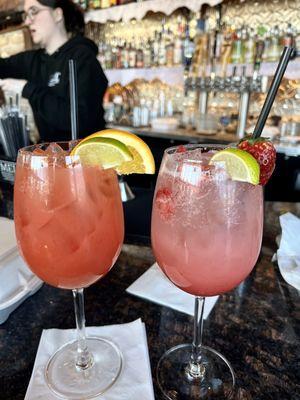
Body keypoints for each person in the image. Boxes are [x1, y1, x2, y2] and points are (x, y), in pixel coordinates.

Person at [0, 0, 108, 143]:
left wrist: (27, 89)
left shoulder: (82, 58)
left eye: (34, 11)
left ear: (57, 14)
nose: (27, 21)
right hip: (50, 158)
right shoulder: (34, 60)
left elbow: (78, 120)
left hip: (85, 157)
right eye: (26, 15)